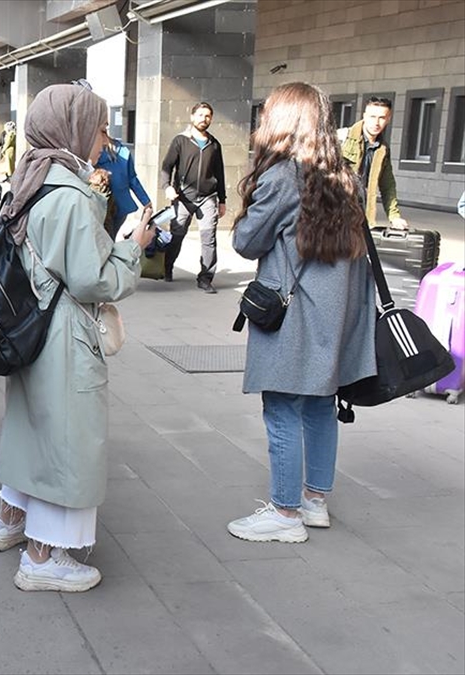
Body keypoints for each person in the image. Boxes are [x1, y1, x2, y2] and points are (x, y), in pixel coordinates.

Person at [0, 84, 154, 592]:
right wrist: (134, 248)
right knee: (67, 441)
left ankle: (8, 520)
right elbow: (95, 281)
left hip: (30, 326)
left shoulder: (32, 179)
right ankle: (43, 559)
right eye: (100, 126)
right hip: (64, 335)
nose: (105, 138)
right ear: (74, 128)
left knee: (32, 426)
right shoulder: (72, 195)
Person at [226, 82, 376, 544]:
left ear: (283, 122)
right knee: (320, 404)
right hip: (337, 314)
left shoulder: (281, 177)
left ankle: (285, 514)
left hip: (293, 316)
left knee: (282, 407)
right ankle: (314, 501)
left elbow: (246, 241)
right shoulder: (345, 176)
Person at [159, 102, 227, 291]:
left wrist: (222, 200)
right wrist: (167, 187)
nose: (204, 119)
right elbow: (167, 166)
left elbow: (220, 173)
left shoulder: (214, 144)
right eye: (200, 115)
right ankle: (167, 267)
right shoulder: (180, 141)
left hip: (208, 197)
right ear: (192, 117)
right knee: (177, 235)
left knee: (209, 238)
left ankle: (205, 278)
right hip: (183, 198)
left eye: (207, 116)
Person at [338, 96, 408, 230]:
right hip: (335, 213)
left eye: (381, 118)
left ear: (388, 119)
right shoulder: (342, 138)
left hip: (361, 215)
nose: (376, 122)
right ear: (364, 116)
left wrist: (394, 217)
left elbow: (387, 185)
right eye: (372, 116)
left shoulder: (382, 149)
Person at [96, 132, 152, 239]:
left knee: (106, 240)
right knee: (109, 239)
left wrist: (146, 201)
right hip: (120, 204)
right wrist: (146, 201)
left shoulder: (94, 152)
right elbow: (132, 179)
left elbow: (132, 179)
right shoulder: (121, 150)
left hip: (104, 204)